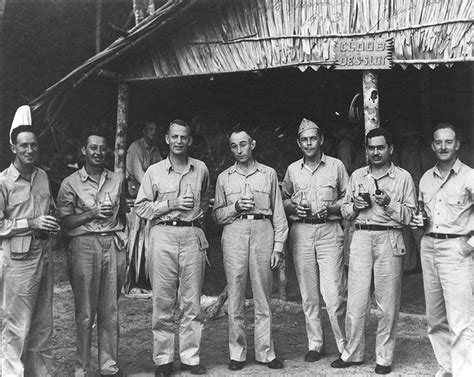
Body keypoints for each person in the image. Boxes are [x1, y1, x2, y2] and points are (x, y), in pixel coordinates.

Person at [331, 127, 416, 375]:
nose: (376, 152)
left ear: (390, 149)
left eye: (381, 147)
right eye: (371, 148)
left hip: (389, 237)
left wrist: (389, 203)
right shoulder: (357, 176)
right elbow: (345, 212)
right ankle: (353, 353)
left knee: (387, 303)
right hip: (360, 237)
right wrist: (355, 207)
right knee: (356, 301)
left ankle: (384, 357)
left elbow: (410, 216)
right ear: (366, 149)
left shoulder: (403, 178)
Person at [135, 119, 210, 377]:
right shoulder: (154, 171)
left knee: (191, 300)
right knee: (163, 300)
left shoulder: (200, 169)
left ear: (189, 140)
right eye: (174, 137)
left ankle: (190, 357)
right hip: (162, 234)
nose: (179, 141)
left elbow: (206, 199)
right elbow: (141, 207)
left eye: (184, 137)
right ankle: (163, 359)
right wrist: (171, 204)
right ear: (166, 139)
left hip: (191, 234)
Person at [212, 124, 288, 371]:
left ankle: (266, 352)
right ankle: (237, 352)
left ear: (252, 144)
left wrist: (278, 247)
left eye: (243, 144)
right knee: (235, 294)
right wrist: (235, 208)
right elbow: (216, 216)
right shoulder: (224, 177)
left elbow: (278, 213)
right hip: (234, 233)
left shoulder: (268, 174)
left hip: (262, 231)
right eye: (234, 146)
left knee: (263, 294)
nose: (239, 150)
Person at [57, 131, 128, 377]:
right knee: (85, 312)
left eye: (102, 148)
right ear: (84, 151)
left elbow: (123, 211)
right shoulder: (71, 182)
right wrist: (92, 214)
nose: (98, 153)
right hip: (84, 247)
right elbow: (65, 222)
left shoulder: (117, 179)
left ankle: (109, 367)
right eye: (93, 148)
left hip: (112, 245)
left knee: (110, 309)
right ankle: (82, 369)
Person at [281, 118, 348, 362]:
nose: (309, 143)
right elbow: (284, 199)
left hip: (329, 232)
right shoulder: (292, 170)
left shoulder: (336, 166)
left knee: (333, 294)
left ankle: (344, 346)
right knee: (308, 294)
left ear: (321, 140)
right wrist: (292, 208)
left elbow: (347, 198)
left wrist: (331, 208)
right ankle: (315, 344)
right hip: (301, 233)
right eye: (304, 140)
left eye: (313, 139)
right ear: (299, 143)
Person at [410, 123, 473, 377]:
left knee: (461, 319)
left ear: (457, 145)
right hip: (429, 246)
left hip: (457, 249)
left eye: (449, 142)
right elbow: (423, 213)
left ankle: (465, 372)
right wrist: (419, 221)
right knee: (435, 318)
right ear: (432, 145)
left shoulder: (470, 176)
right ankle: (447, 367)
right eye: (438, 142)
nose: (443, 147)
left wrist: (469, 245)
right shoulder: (426, 178)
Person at [0, 105, 56, 376]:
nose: (30, 150)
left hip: (44, 256)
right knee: (16, 326)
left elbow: (48, 208)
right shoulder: (4, 182)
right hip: (18, 261)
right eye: (24, 146)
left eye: (34, 145)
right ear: (13, 148)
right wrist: (29, 224)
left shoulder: (43, 176)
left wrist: (49, 223)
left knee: (43, 325)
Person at [126, 121, 163, 197]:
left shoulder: (155, 149)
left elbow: (162, 169)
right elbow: (139, 175)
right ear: (144, 131)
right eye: (151, 129)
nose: (154, 132)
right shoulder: (136, 147)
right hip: (135, 187)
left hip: (151, 187)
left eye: (155, 129)